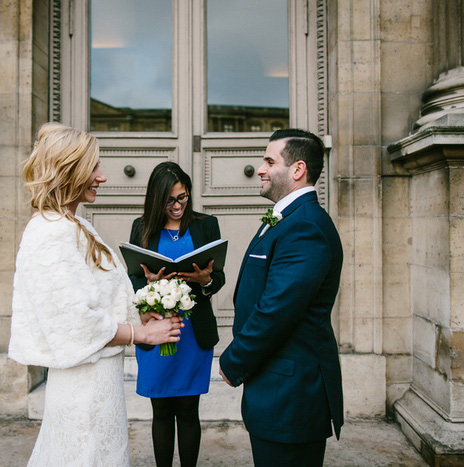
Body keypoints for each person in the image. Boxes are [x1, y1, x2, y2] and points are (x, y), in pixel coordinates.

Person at [8, 123, 183, 466]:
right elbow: (73, 320)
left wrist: (140, 315)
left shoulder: (76, 224)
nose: (102, 177)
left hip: (100, 382)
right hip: (82, 387)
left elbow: (98, 299)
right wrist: (139, 334)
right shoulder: (50, 233)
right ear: (68, 172)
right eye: (94, 167)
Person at [219, 129, 344, 467]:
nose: (260, 168)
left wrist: (234, 362)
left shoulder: (306, 227)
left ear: (297, 169)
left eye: (269, 161)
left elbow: (277, 310)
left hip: (291, 395)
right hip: (276, 388)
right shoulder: (286, 219)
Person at [128, 162, 225, 467]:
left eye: (182, 197)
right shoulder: (141, 227)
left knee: (187, 409)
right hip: (155, 333)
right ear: (157, 200)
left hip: (193, 334)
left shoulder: (206, 225)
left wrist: (205, 281)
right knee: (161, 411)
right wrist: (149, 286)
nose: (177, 206)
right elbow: (131, 279)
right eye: (170, 200)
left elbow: (218, 275)